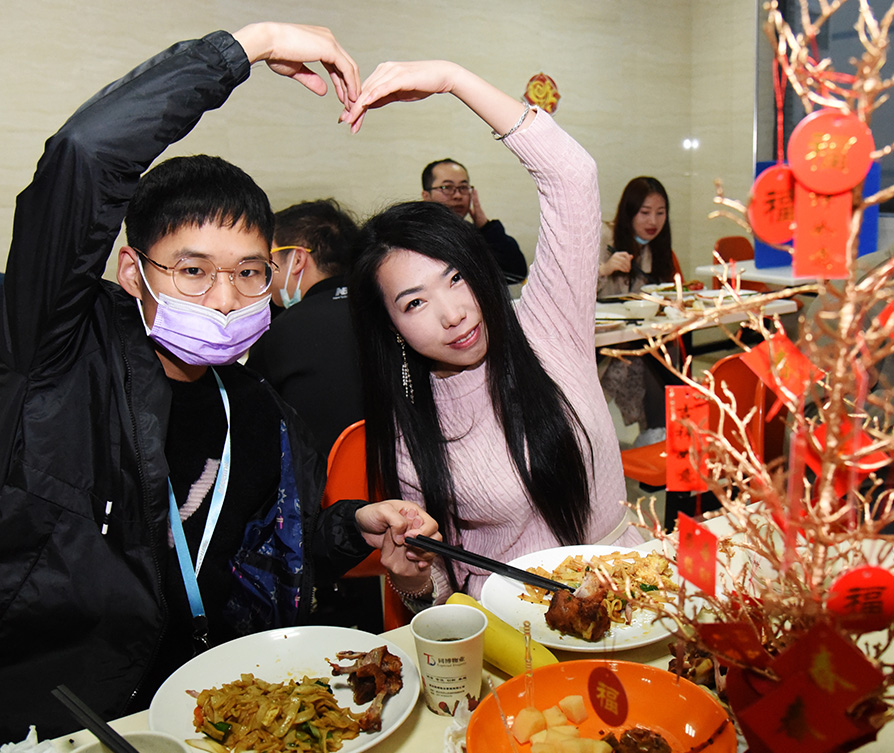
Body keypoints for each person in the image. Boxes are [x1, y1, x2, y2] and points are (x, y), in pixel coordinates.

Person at [0, 23, 438, 740]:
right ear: (133, 272)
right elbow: (83, 155)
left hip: (207, 708)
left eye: (248, 272)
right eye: (193, 271)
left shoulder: (258, 409)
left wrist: (346, 528)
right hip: (60, 717)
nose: (227, 299)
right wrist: (248, 46)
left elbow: (262, 549)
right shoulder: (62, 354)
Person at [343, 60, 641, 605]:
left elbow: (573, 178)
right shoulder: (410, 426)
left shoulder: (546, 327)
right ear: (392, 326)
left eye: (456, 277)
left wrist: (452, 78)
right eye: (415, 302)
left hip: (629, 594)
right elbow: (438, 589)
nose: (453, 313)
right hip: (515, 627)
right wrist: (410, 577)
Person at [248, 199, 363, 460]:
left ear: (298, 259)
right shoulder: (388, 310)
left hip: (320, 479)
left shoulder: (280, 331)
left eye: (268, 259)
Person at [597, 176, 678, 447]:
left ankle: (658, 434)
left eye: (660, 213)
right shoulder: (603, 237)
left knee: (665, 348)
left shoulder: (655, 247)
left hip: (634, 336)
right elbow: (569, 286)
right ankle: (656, 434)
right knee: (657, 355)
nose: (653, 221)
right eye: (645, 212)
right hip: (599, 337)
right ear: (629, 212)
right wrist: (605, 269)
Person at [421, 158, 528, 284]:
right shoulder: (415, 234)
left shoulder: (471, 233)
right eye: (447, 187)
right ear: (426, 196)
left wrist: (486, 227)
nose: (458, 195)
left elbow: (516, 273)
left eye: (463, 187)